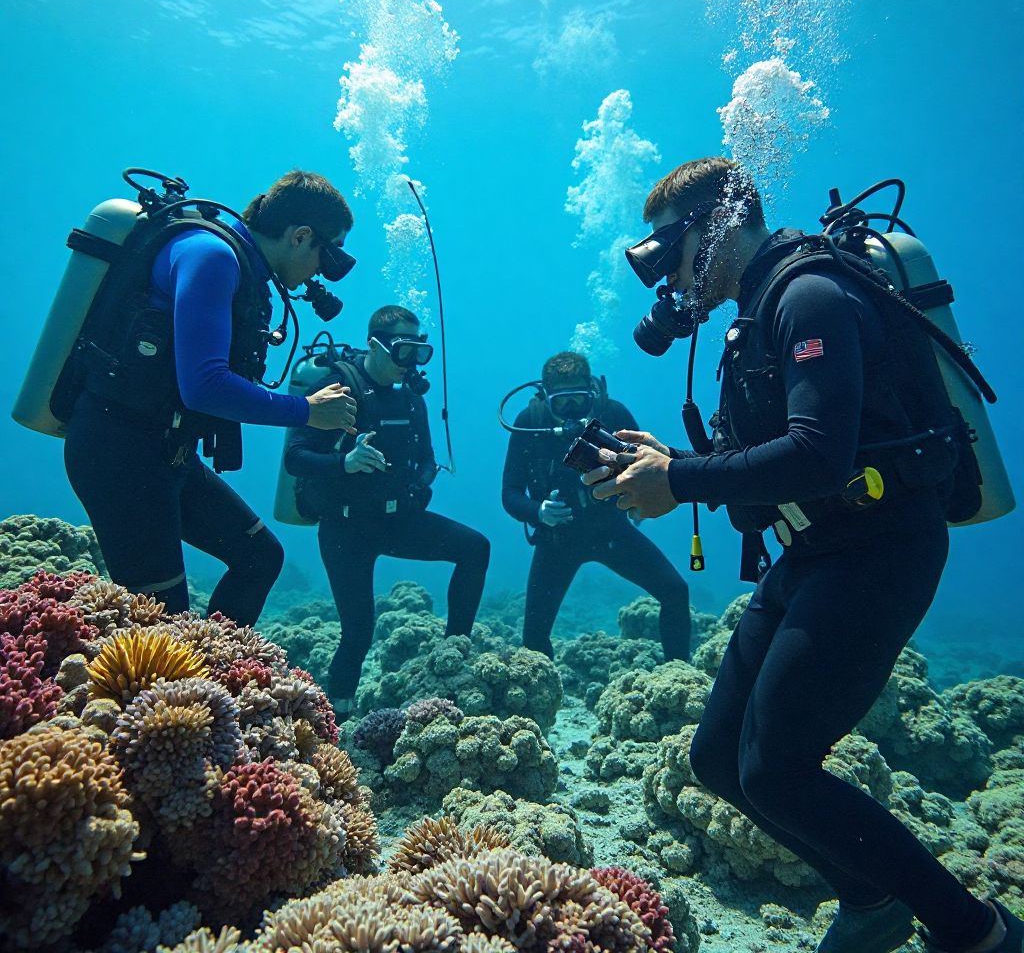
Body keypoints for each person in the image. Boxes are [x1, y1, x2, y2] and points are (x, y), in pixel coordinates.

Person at [583, 157, 1023, 953]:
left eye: (669, 251)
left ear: (719, 226)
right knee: (719, 759)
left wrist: (677, 482)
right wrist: (671, 461)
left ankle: (979, 932)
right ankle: (870, 901)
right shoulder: (755, 316)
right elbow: (768, 461)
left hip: (879, 550)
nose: (665, 277)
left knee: (776, 769)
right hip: (814, 550)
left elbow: (819, 456)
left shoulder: (809, 296)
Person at [63, 170, 359, 626]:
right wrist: (306, 411)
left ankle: (215, 665)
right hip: (120, 454)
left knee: (260, 558)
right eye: (330, 252)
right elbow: (204, 386)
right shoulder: (214, 256)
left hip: (167, 453)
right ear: (300, 236)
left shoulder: (241, 267)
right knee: (160, 627)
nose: (323, 271)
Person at [284, 304, 490, 718]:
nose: (410, 362)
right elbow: (295, 457)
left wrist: (421, 484)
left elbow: (428, 458)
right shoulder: (337, 387)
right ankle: (336, 718)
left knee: (475, 548)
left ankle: (454, 658)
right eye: (403, 350)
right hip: (345, 529)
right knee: (359, 630)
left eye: (418, 351)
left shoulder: (411, 397)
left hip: (398, 520)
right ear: (374, 345)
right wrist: (345, 463)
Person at [502, 351, 691, 661]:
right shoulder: (530, 423)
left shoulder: (612, 414)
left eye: (578, 399)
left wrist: (640, 499)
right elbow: (510, 493)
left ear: (592, 394)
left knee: (675, 591)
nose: (571, 410)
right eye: (561, 402)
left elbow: (648, 469)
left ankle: (679, 674)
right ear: (546, 398)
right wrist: (538, 512)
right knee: (534, 636)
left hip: (611, 530)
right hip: (556, 540)